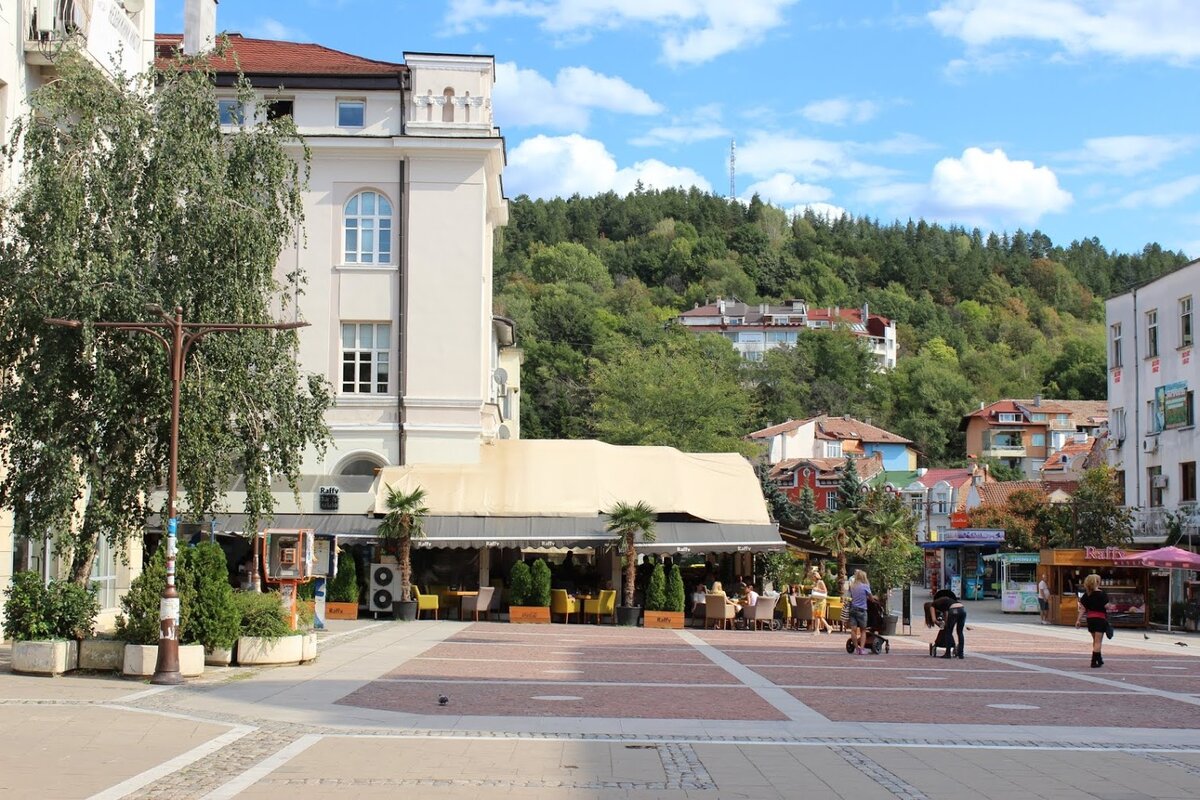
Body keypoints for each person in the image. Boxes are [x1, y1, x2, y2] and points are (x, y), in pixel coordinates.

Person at [1076, 573, 1110, 668]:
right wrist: (1110, 606)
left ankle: (1099, 659)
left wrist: (1078, 620)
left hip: (1090, 619)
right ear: (1097, 582)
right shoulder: (1102, 594)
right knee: (1098, 641)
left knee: (1095, 640)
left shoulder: (1087, 595)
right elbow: (1106, 606)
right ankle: (1093, 661)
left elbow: (1082, 609)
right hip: (1100, 618)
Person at [925, 592, 966, 658]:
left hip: (954, 610)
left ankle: (947, 653)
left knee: (948, 632)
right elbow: (946, 616)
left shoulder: (933, 605)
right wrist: (946, 622)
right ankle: (961, 654)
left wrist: (940, 624)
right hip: (962, 609)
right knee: (960, 632)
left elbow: (934, 619)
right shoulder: (945, 602)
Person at [848, 570, 872, 654]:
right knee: (863, 630)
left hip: (853, 608)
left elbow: (850, 596)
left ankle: (856, 648)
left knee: (853, 630)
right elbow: (871, 598)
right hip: (862, 609)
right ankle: (861, 649)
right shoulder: (865, 586)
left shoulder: (852, 586)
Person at [809, 567, 833, 635]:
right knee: (817, 616)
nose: (812, 578)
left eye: (813, 577)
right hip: (817, 601)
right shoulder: (815, 583)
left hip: (821, 601)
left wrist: (817, 589)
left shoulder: (820, 582)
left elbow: (825, 591)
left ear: (816, 576)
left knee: (819, 616)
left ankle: (824, 628)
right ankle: (820, 629)